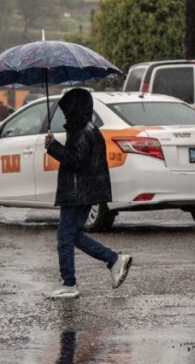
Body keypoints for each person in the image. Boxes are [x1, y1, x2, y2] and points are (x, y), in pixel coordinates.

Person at [43, 88, 132, 299]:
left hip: (77, 192)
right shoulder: (87, 128)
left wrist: (52, 146)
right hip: (84, 191)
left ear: (75, 109)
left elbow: (75, 160)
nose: (65, 115)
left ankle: (69, 283)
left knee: (65, 237)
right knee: (73, 236)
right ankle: (113, 260)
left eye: (67, 110)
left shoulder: (81, 130)